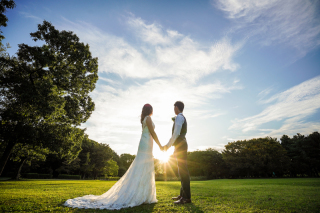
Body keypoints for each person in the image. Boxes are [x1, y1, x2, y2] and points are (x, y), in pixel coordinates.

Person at [64, 104, 163, 210]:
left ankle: (145, 195)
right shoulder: (148, 118)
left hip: (146, 143)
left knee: (145, 168)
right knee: (143, 168)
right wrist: (160, 145)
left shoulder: (145, 119)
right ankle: (140, 195)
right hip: (146, 144)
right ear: (150, 110)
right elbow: (152, 132)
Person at [163, 101, 191, 204]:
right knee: (181, 170)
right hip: (180, 145)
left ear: (176, 107)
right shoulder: (179, 117)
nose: (173, 108)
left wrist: (167, 145)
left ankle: (186, 198)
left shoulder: (179, 117)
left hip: (181, 145)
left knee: (183, 171)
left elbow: (176, 133)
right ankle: (182, 195)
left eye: (174, 106)